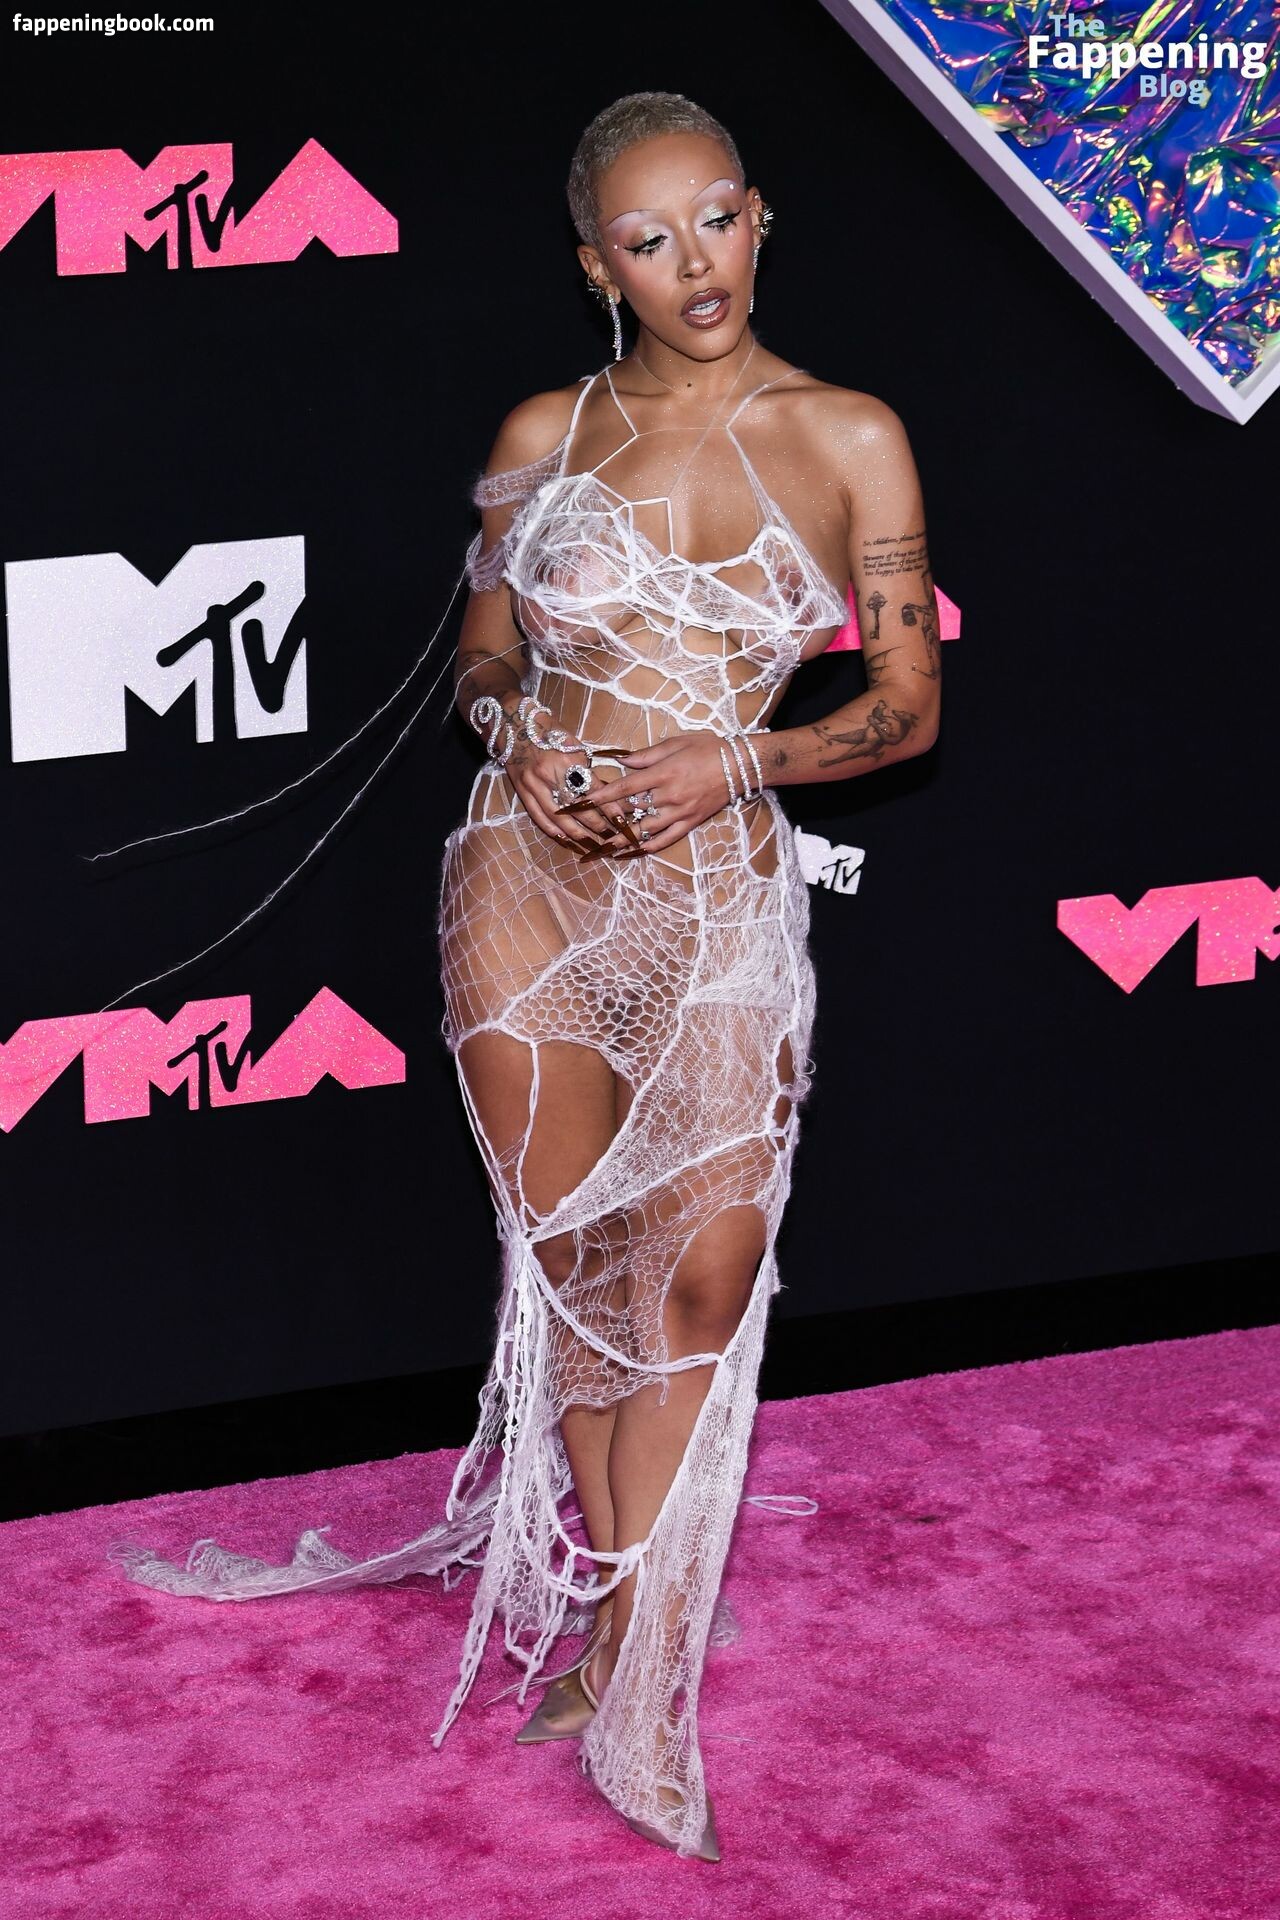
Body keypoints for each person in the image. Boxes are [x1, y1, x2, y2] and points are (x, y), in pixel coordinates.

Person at [109, 90, 940, 1866]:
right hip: (524, 878)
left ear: (760, 218)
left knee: (703, 1273)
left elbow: (904, 708)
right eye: (649, 238)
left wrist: (740, 760)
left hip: (715, 888)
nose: (693, 262)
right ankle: (618, 1621)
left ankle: (643, 1637)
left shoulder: (849, 433)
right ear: (595, 265)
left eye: (716, 217)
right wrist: (516, 737)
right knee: (573, 1265)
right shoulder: (542, 434)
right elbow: (482, 659)